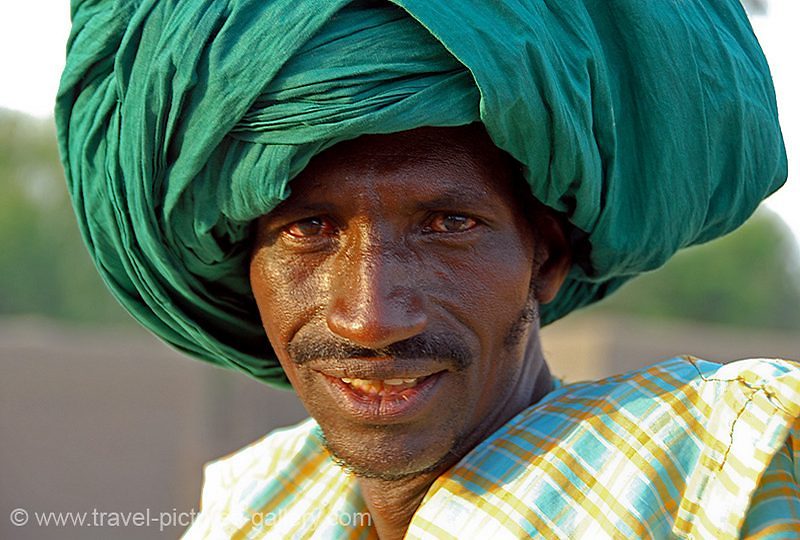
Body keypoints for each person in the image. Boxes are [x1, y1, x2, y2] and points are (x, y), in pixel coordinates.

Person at [56, 0, 799, 538]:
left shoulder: (729, 465)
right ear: (245, 265)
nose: (372, 317)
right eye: (308, 230)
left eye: (450, 226)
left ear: (548, 256)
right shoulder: (254, 506)